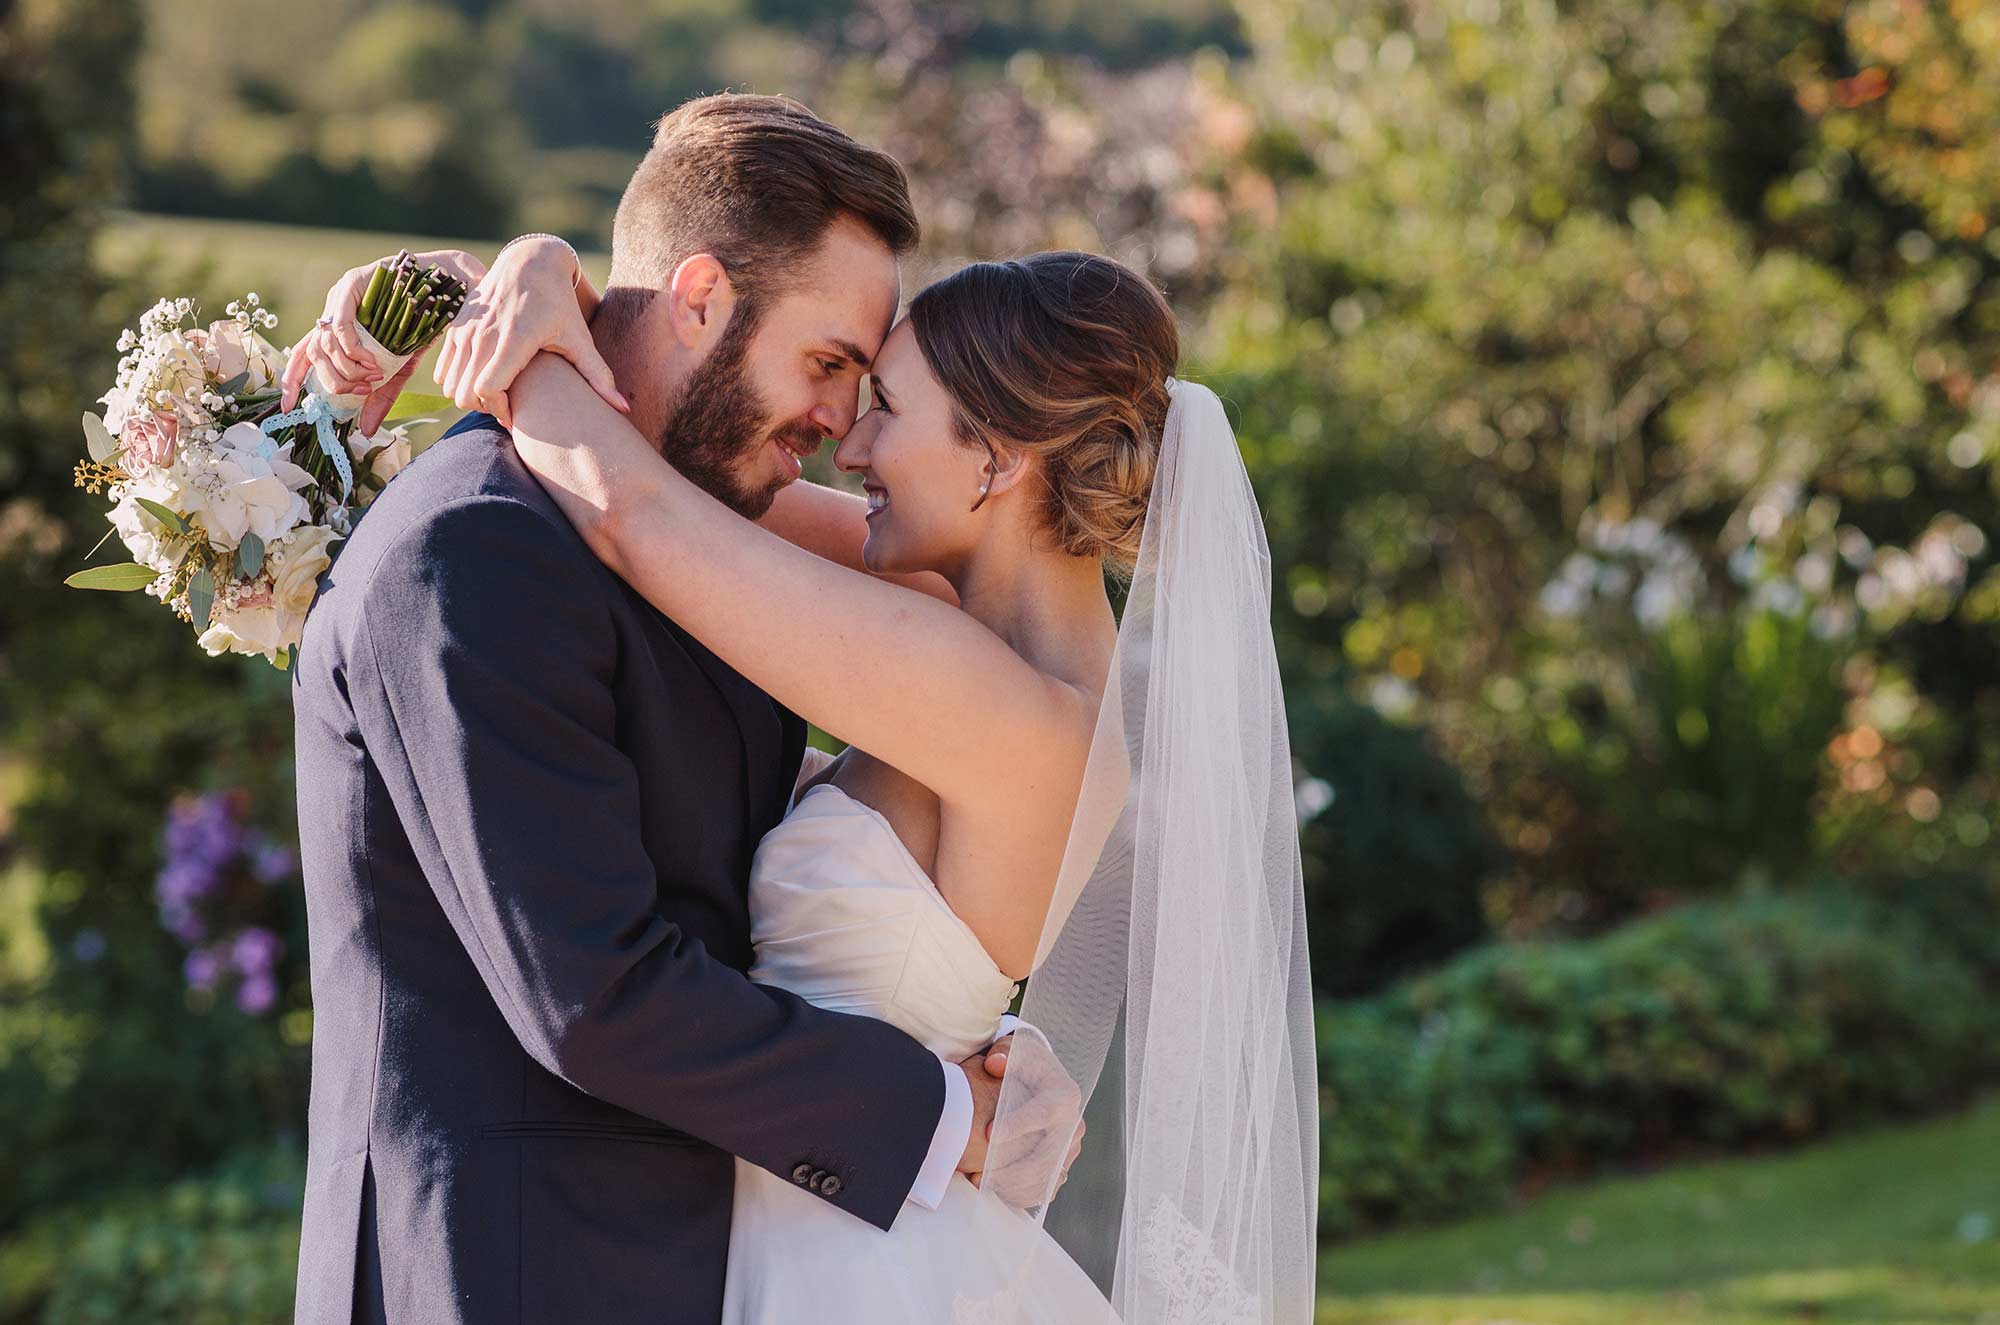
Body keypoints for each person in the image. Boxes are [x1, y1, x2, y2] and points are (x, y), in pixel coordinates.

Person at [283, 93, 1077, 1325]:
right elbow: (594, 994)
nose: (839, 429)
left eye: (868, 389)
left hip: (732, 1256)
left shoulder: (708, 540)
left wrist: (526, 289)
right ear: (700, 294)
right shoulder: (477, 552)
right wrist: (938, 1106)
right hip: (515, 1271)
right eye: (827, 365)